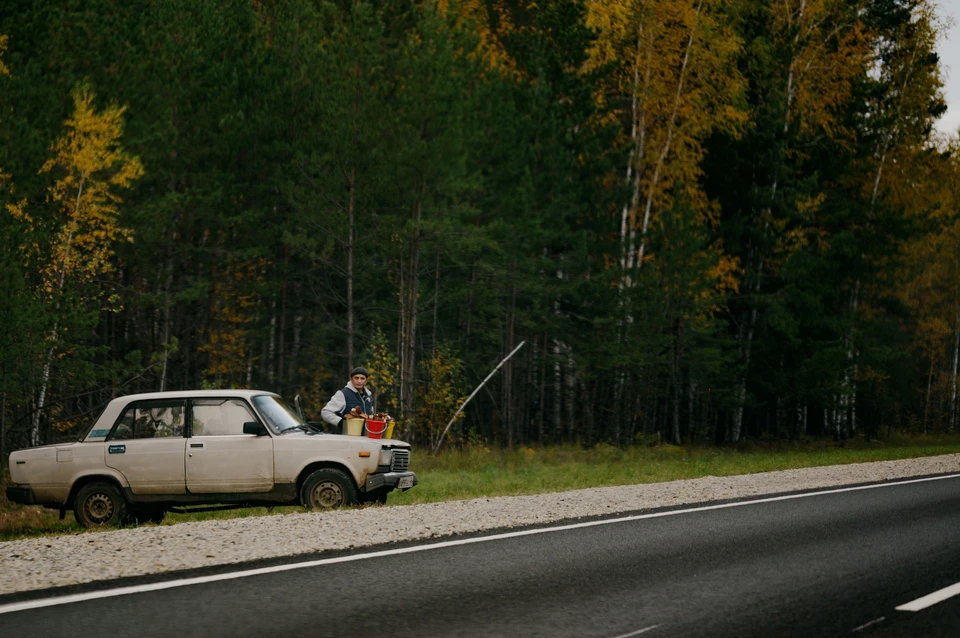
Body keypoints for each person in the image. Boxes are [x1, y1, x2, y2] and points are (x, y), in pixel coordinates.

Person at [322, 367, 375, 434]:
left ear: (366, 380)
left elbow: (371, 414)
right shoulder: (343, 393)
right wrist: (341, 422)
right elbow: (325, 412)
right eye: (356, 378)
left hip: (366, 437)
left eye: (362, 378)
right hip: (347, 438)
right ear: (351, 379)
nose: (359, 381)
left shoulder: (369, 395)